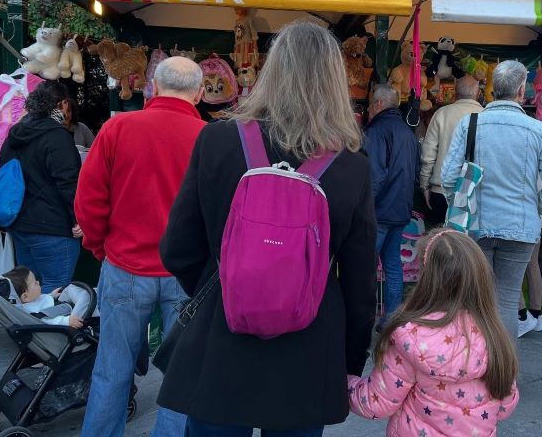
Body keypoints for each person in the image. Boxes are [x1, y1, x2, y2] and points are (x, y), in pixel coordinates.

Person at [157, 22, 377, 436]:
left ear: (270, 71)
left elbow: (177, 249)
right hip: (308, 352)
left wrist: (231, 284)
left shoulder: (216, 141)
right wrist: (349, 360)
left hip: (222, 343)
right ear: (334, 81)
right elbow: (361, 281)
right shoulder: (352, 166)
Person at [76, 56, 206, 437]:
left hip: (125, 265)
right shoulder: (209, 138)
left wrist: (101, 248)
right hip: (186, 276)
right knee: (181, 376)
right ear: (200, 93)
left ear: (152, 87)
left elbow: (88, 201)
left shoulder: (117, 128)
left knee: (111, 369)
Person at [348, 229, 519, 436]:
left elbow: (377, 403)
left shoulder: (411, 336)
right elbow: (505, 406)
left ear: (427, 277)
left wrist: (346, 383)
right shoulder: (494, 334)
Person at [442, 60, 542, 343]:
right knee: (508, 301)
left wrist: (459, 204)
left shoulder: (470, 123)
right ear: (522, 90)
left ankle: (477, 372)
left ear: (492, 89)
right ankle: (503, 376)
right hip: (521, 228)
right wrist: (538, 208)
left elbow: (449, 178)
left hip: (476, 225)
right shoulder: (538, 130)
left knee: (477, 301)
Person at [0, 80, 82, 293]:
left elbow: (5, 171)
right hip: (53, 226)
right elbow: (68, 182)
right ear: (63, 104)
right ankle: (49, 327)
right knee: (56, 290)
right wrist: (78, 218)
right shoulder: (57, 136)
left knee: (29, 291)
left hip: (20, 223)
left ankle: (31, 327)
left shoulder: (16, 132)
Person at [366, 83, 420, 325]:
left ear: (378, 104)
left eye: (369, 105)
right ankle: (392, 321)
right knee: (393, 266)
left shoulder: (376, 131)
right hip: (400, 210)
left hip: (379, 211)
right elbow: (416, 171)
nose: (367, 111)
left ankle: (362, 319)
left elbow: (374, 175)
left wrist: (365, 206)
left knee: (364, 268)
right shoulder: (408, 132)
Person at [420, 76, 483, 226]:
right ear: (478, 93)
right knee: (467, 246)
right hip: (474, 192)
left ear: (455, 92)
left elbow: (428, 155)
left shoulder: (442, 113)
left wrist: (424, 185)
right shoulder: (487, 116)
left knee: (439, 242)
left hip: (441, 190)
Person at [4, 265, 86, 328]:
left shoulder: (31, 300)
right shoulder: (33, 311)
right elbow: (46, 321)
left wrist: (51, 295)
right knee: (84, 299)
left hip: (60, 307)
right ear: (25, 297)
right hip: (64, 317)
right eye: (35, 283)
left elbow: (40, 300)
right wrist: (66, 321)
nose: (38, 282)